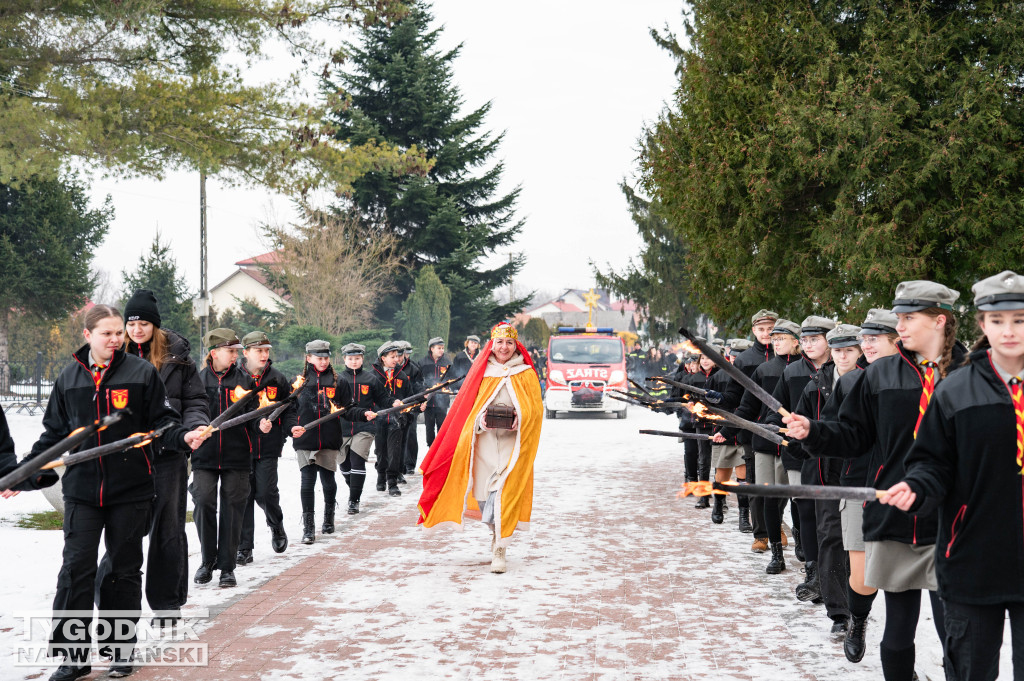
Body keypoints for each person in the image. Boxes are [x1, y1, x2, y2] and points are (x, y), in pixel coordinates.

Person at [5, 304, 204, 681]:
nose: (116, 339)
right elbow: (53, 437)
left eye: (119, 333)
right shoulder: (68, 378)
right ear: (87, 336)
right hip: (82, 491)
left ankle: (119, 651)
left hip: (131, 489)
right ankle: (72, 657)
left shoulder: (142, 373)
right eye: (107, 333)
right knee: (75, 570)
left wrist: (184, 436)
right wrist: (25, 474)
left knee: (123, 571)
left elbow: (164, 422)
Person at [785, 280, 963, 681]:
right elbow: (852, 435)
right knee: (899, 630)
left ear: (940, 320)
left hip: (956, 521)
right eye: (896, 318)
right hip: (894, 516)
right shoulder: (879, 376)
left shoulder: (973, 373)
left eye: (908, 318)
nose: (899, 326)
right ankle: (860, 625)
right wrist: (812, 431)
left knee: (959, 633)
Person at [882, 271, 1024, 681]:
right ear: (982, 324)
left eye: (1019, 319)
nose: (1009, 331)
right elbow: (932, 462)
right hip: (971, 561)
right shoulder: (956, 390)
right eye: (997, 321)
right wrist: (916, 486)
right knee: (969, 671)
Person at [97, 290, 209, 629]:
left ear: (154, 326)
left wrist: (194, 427)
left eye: (143, 323)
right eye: (131, 323)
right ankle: (109, 591)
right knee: (125, 528)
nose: (136, 329)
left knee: (167, 528)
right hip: (128, 457)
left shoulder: (179, 359)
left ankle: (166, 603)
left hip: (168, 453)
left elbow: (195, 402)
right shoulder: (114, 357)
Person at [417, 321, 543, 573]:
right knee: (485, 500)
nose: (504, 347)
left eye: (509, 343)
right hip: (483, 446)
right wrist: (481, 421)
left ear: (515, 345)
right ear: (492, 345)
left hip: (512, 447)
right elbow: (467, 409)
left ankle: (500, 548)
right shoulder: (482, 372)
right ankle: (494, 532)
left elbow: (536, 411)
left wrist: (521, 418)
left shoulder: (526, 373)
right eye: (499, 342)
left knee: (504, 495)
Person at [832, 309, 899, 663]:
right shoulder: (849, 383)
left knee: (903, 583)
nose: (867, 345)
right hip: (858, 484)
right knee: (863, 573)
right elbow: (834, 430)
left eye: (875, 338)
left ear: (897, 339)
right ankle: (858, 620)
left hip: (902, 487)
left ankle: (901, 656)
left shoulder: (920, 379)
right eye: (865, 338)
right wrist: (806, 433)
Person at [765, 316, 836, 577]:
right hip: (799, 453)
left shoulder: (843, 368)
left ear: (830, 339)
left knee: (829, 514)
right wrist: (775, 426)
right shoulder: (792, 371)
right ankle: (812, 570)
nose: (807, 344)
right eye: (804, 340)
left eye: (814, 339)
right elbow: (775, 408)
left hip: (836, 453)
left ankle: (833, 569)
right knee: (805, 507)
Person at [191, 328, 257, 589]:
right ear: (214, 352)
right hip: (204, 456)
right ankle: (208, 560)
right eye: (230, 350)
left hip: (237, 455)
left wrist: (261, 425)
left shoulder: (246, 381)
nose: (234, 355)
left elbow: (253, 415)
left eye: (236, 351)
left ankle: (227, 567)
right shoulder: (197, 380)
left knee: (232, 507)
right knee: (204, 501)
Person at [731, 318, 800, 559]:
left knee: (792, 494)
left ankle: (793, 535)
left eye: (780, 337)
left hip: (796, 442)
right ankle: (766, 539)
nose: (775, 341)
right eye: (774, 338)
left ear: (796, 341)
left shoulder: (806, 369)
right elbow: (746, 405)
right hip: (764, 439)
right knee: (765, 492)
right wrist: (730, 429)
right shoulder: (764, 369)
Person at [724, 309, 779, 550]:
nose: (766, 333)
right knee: (757, 483)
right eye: (761, 329)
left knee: (782, 483)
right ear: (754, 330)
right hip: (753, 428)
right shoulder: (745, 359)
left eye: (770, 328)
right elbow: (735, 396)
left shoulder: (789, 356)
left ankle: (777, 527)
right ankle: (761, 533)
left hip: (784, 429)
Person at [237, 331, 293, 565]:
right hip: (241, 446)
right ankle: (244, 547)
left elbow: (290, 408)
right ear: (245, 352)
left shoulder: (277, 378)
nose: (264, 354)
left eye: (267, 350)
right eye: (259, 350)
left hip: (268, 445)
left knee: (265, 492)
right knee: (244, 496)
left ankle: (276, 525)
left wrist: (291, 428)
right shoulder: (236, 378)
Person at [290, 340, 344, 544]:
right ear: (308, 358)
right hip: (305, 438)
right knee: (307, 483)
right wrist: (291, 429)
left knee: (328, 482)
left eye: (326, 358)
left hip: (329, 437)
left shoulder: (338, 381)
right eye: (319, 358)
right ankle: (309, 528)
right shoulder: (299, 381)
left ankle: (329, 519)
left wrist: (364, 414)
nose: (323, 361)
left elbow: (348, 407)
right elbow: (289, 409)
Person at [335, 343, 388, 515]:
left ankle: (354, 500)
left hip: (364, 426)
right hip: (341, 428)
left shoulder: (371, 379)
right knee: (344, 465)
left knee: (357, 461)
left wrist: (393, 402)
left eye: (357, 358)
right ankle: (354, 488)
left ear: (362, 359)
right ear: (344, 359)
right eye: (350, 359)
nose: (354, 362)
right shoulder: (337, 379)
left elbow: (383, 399)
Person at [371, 341, 415, 496]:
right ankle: (381, 477)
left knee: (394, 451)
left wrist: (409, 411)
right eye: (392, 356)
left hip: (397, 419)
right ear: (383, 358)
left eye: (397, 356)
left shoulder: (402, 376)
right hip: (378, 418)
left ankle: (392, 482)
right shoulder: (373, 375)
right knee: (380, 451)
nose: (396, 359)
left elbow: (409, 396)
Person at [397, 340, 424, 477]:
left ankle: (410, 464)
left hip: (410, 406)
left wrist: (420, 402)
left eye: (404, 354)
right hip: (394, 406)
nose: (402, 357)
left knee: (410, 435)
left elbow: (419, 387)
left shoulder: (413, 368)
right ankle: (396, 465)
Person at [420, 337, 453, 448]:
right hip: (428, 402)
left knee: (442, 427)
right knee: (429, 427)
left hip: (442, 401)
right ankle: (431, 447)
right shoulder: (423, 362)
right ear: (432, 348)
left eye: (442, 348)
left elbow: (452, 378)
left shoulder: (447, 362)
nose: (441, 350)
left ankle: (440, 449)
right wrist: (423, 391)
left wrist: (450, 387)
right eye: (439, 348)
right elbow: (418, 380)